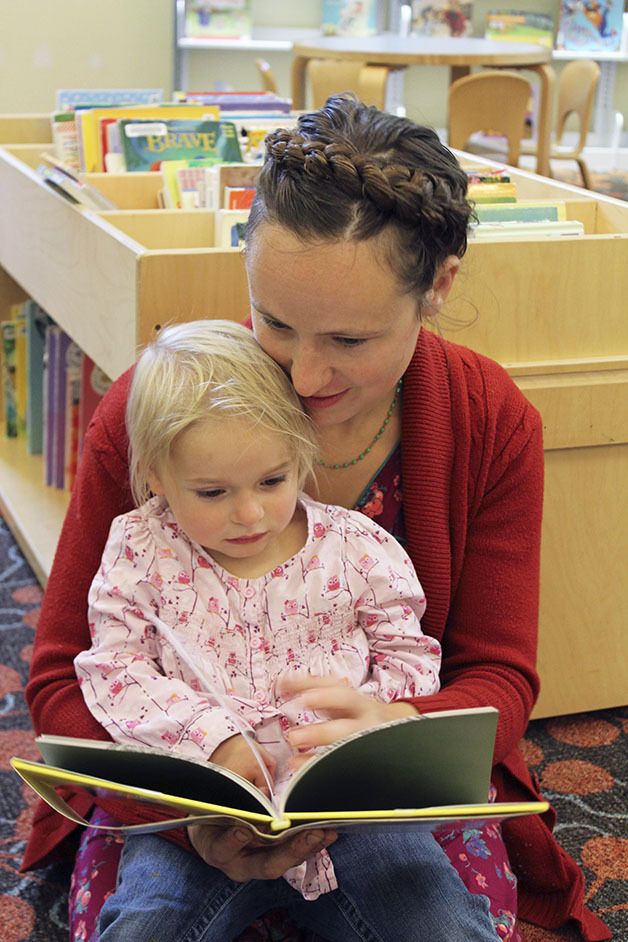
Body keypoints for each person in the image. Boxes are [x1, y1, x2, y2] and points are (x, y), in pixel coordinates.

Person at [23, 95, 610, 942]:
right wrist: (189, 805)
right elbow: (58, 682)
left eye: (350, 339)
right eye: (276, 322)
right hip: (179, 797)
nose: (304, 376)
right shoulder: (156, 416)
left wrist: (396, 731)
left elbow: (500, 680)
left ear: (439, 287)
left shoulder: (490, 419)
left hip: (386, 803)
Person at [73, 318, 497, 941]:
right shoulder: (140, 549)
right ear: (157, 476)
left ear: (300, 452)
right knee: (147, 922)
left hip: (350, 811)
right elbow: (113, 668)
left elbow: (409, 649)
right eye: (212, 491)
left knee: (435, 917)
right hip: (202, 818)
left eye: (272, 481)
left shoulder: (356, 547)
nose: (249, 514)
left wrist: (373, 724)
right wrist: (213, 742)